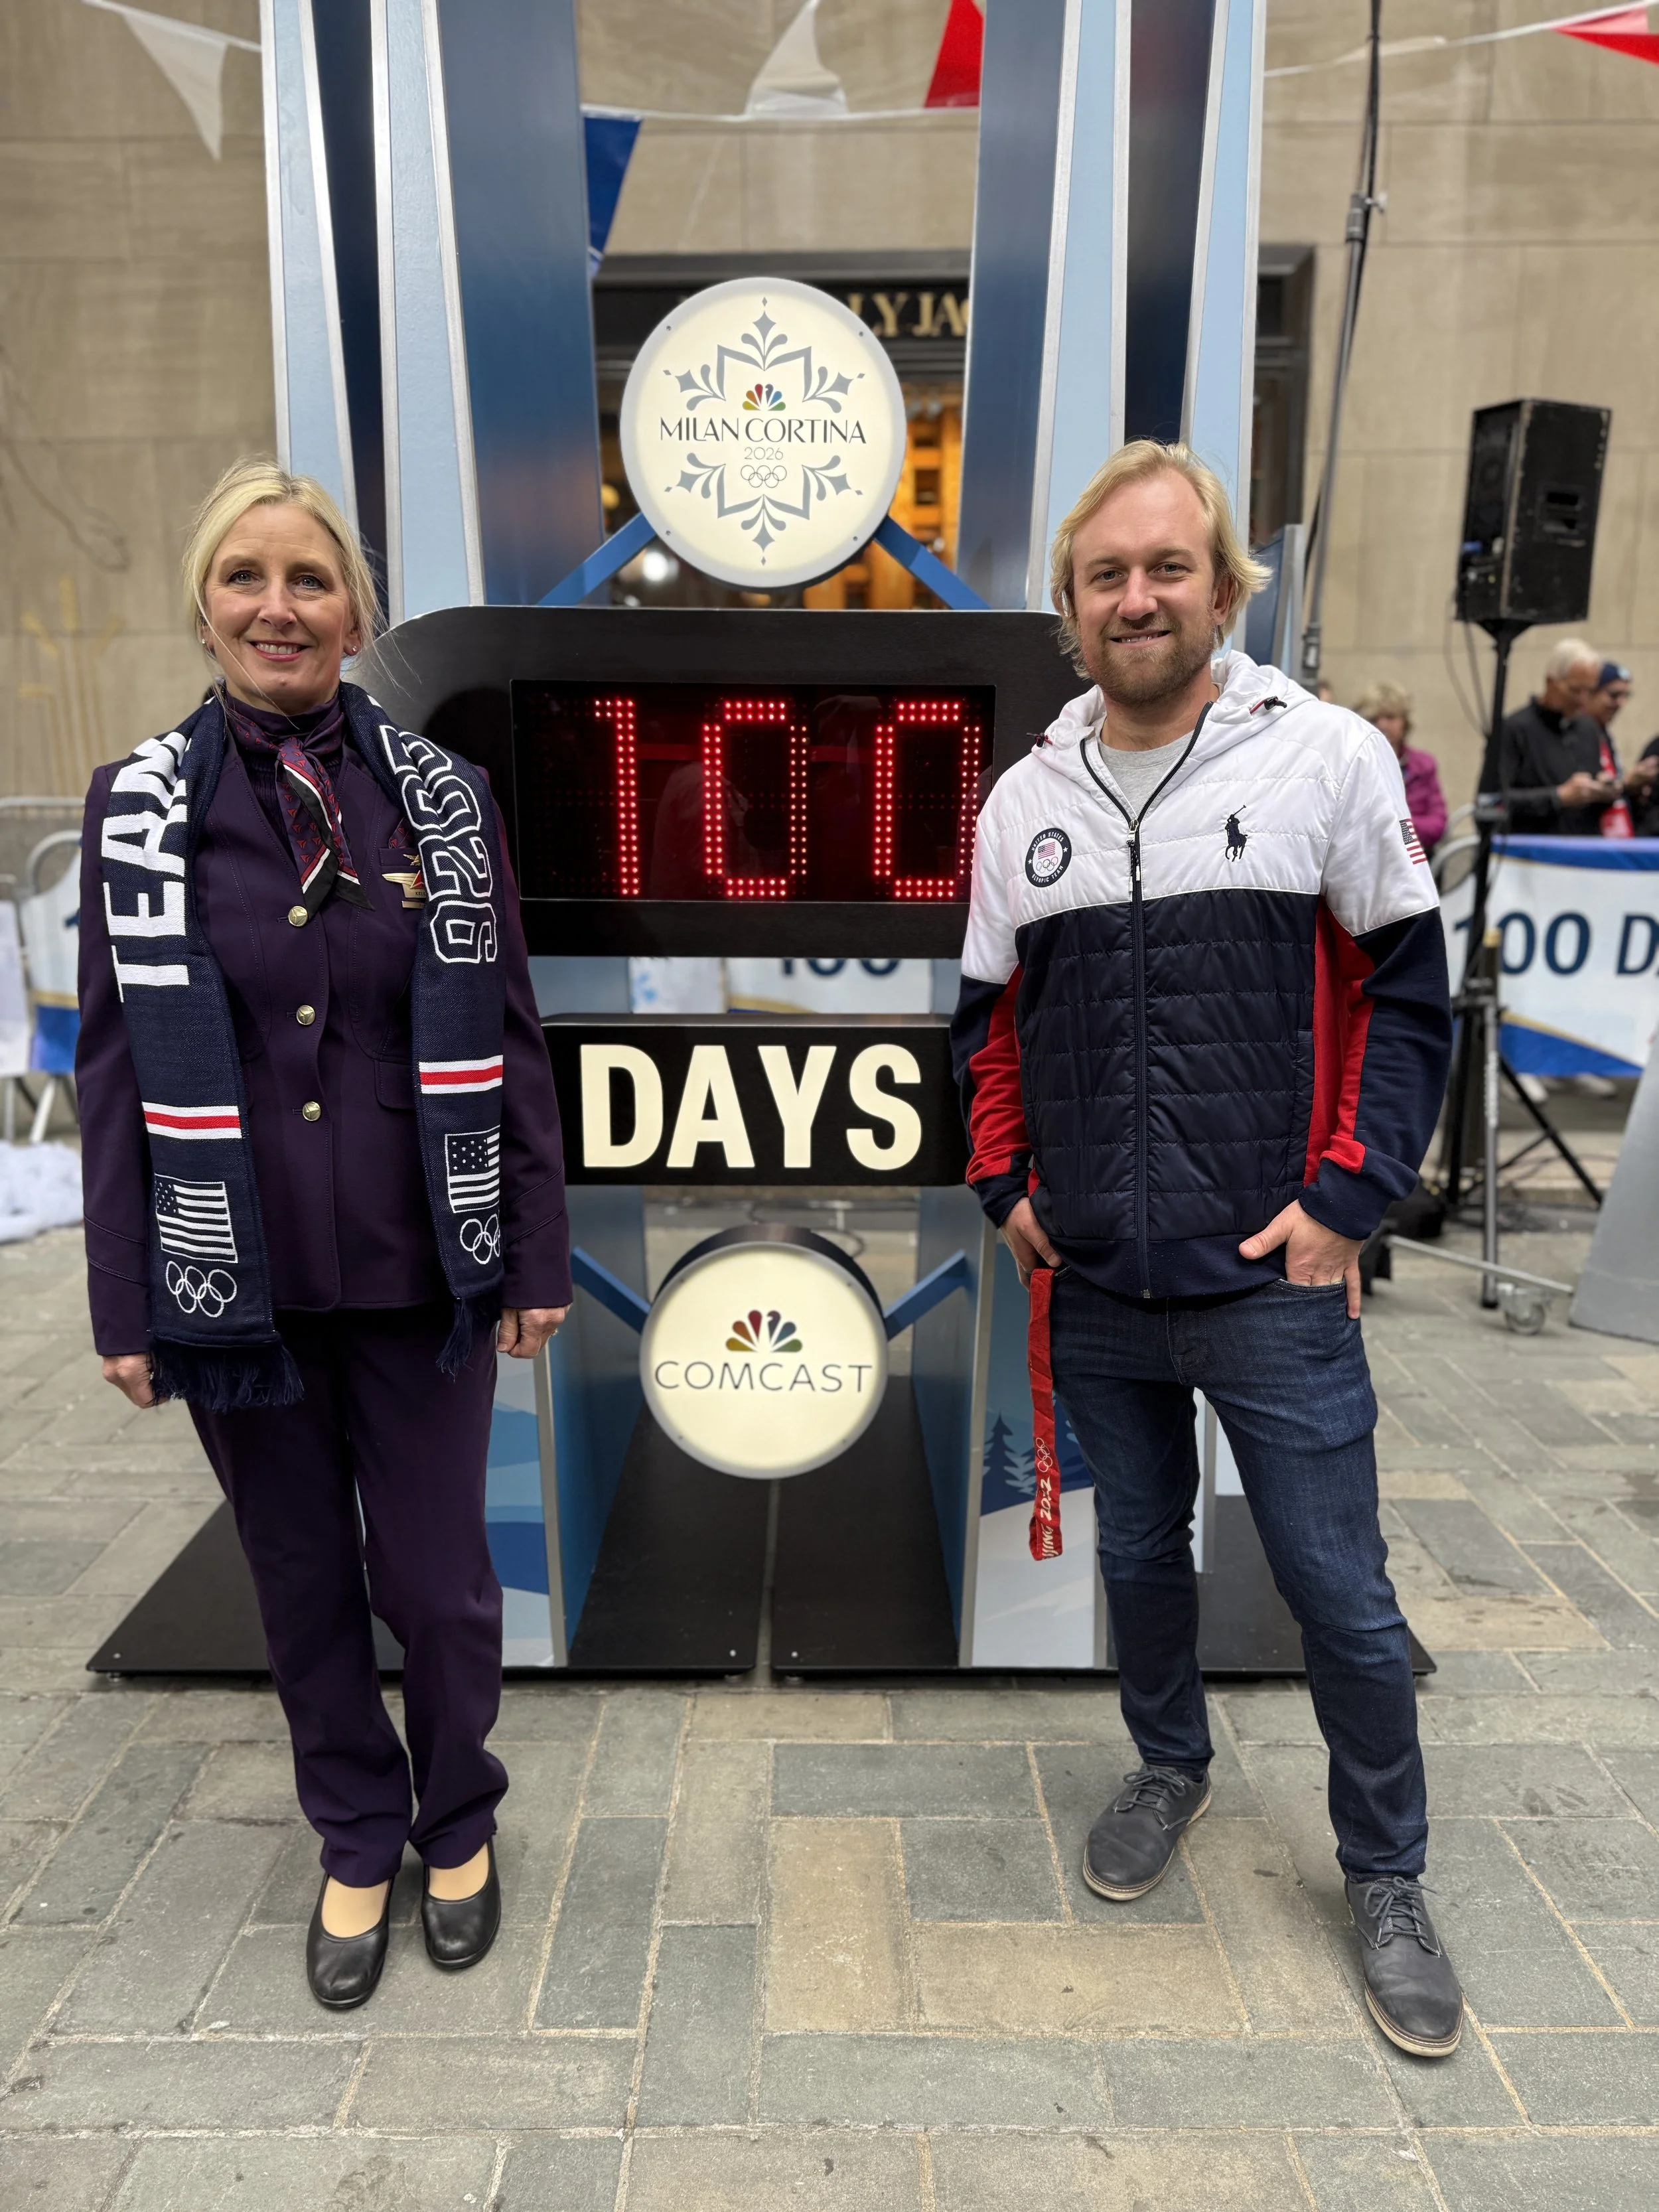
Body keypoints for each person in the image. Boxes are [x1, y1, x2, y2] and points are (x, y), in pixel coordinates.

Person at [950, 440, 1462, 2059]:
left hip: (1274, 1283)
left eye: (1167, 566)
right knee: (1136, 1562)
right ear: (1069, 606)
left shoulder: (1323, 759)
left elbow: (1410, 997)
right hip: (1097, 1281)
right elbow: (981, 1023)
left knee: (1337, 1594)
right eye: (1105, 574)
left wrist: (1348, 1200)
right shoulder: (1023, 802)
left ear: (1225, 585)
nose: (1137, 597)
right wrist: (1005, 1186)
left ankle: (1385, 1873)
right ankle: (1169, 1762)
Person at [76, 459, 571, 2012]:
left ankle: (458, 1819)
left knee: (438, 1584)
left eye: (308, 579)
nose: (277, 606)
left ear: (356, 611)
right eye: (246, 577)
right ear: (204, 606)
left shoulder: (444, 798)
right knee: (298, 1583)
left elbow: (513, 1036)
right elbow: (110, 1071)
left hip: (424, 1267)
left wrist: (533, 1251)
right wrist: (122, 1299)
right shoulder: (136, 813)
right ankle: (357, 1834)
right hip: (239, 1282)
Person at [1494, 638, 1641, 833]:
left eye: (1589, 691)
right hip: (1533, 845)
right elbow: (1494, 802)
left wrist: (1605, 790)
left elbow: (1590, 800)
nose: (1583, 700)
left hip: (1583, 845)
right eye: (1575, 690)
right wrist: (1558, 797)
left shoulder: (1588, 727)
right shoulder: (1515, 729)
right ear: (1551, 682)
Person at [1354, 678, 1448, 855]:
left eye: (1390, 717)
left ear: (1405, 722)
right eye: (1374, 719)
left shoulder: (1424, 765)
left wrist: (1400, 826)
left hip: (1413, 856)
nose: (1382, 725)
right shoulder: (1353, 765)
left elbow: (1437, 825)